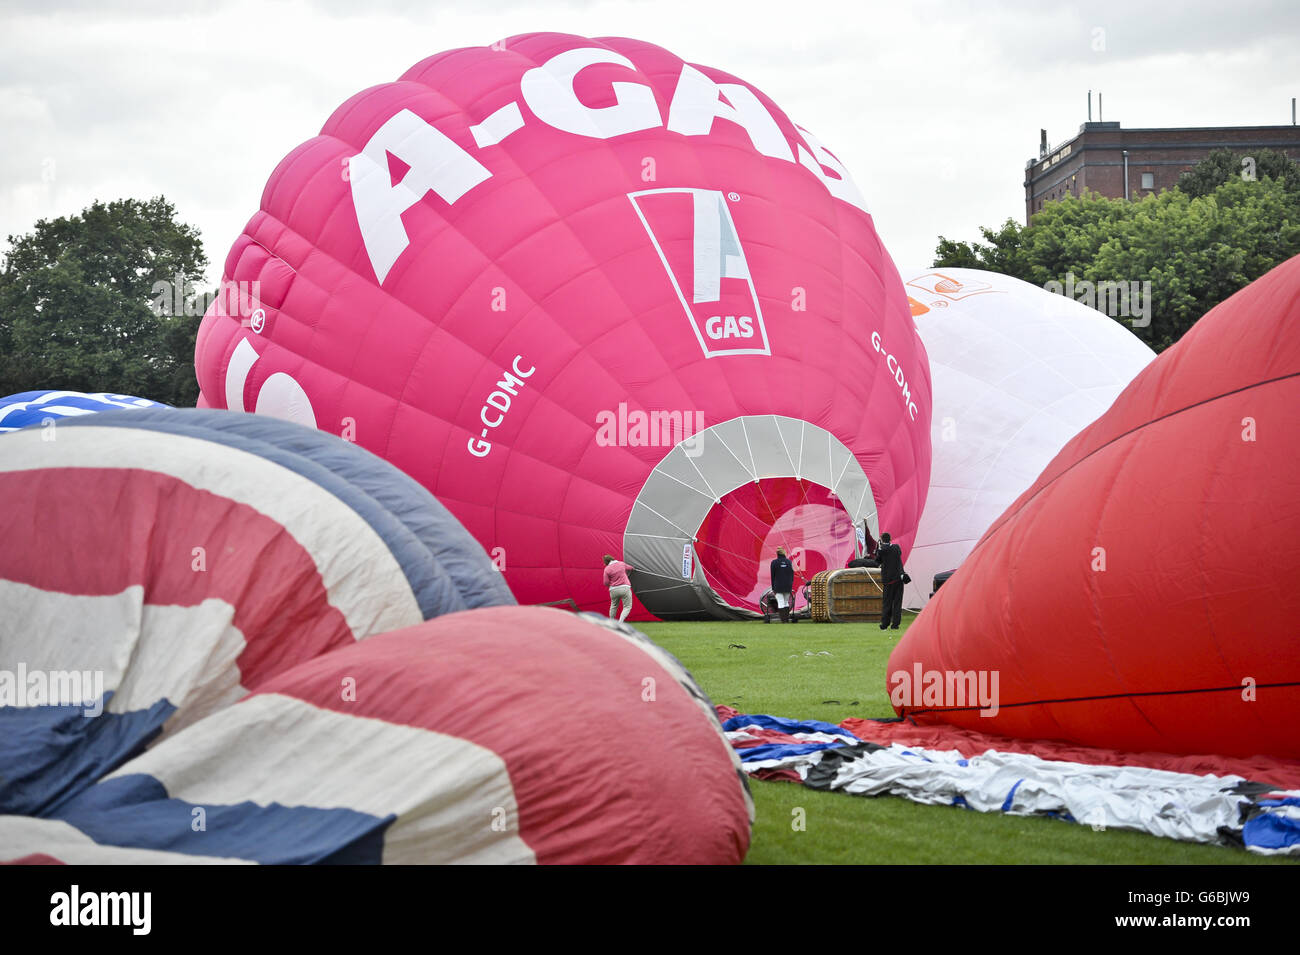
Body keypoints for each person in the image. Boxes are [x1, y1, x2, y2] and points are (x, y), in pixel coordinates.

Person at [877, 532, 905, 630]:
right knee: (897, 602)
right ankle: (895, 624)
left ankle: (885, 623)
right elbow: (898, 554)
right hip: (899, 578)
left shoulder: (881, 550)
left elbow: (877, 561)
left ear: (882, 539)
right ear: (890, 539)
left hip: (888, 581)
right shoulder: (896, 547)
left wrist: (879, 547)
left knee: (887, 603)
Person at [602, 554, 635, 622]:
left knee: (614, 606)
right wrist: (633, 568)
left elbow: (605, 582)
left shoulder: (607, 569)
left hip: (613, 590)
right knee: (627, 607)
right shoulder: (621, 564)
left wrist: (611, 585)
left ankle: (611, 622)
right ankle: (620, 622)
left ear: (606, 562)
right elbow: (630, 568)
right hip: (625, 588)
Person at [769, 547, 796, 623]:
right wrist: (790, 584)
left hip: (778, 585)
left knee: (780, 602)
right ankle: (786, 620)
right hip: (787, 585)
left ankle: (783, 620)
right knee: (786, 602)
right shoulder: (789, 562)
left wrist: (773, 588)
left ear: (777, 554)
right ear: (784, 553)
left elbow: (772, 576)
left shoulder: (774, 562)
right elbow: (791, 574)